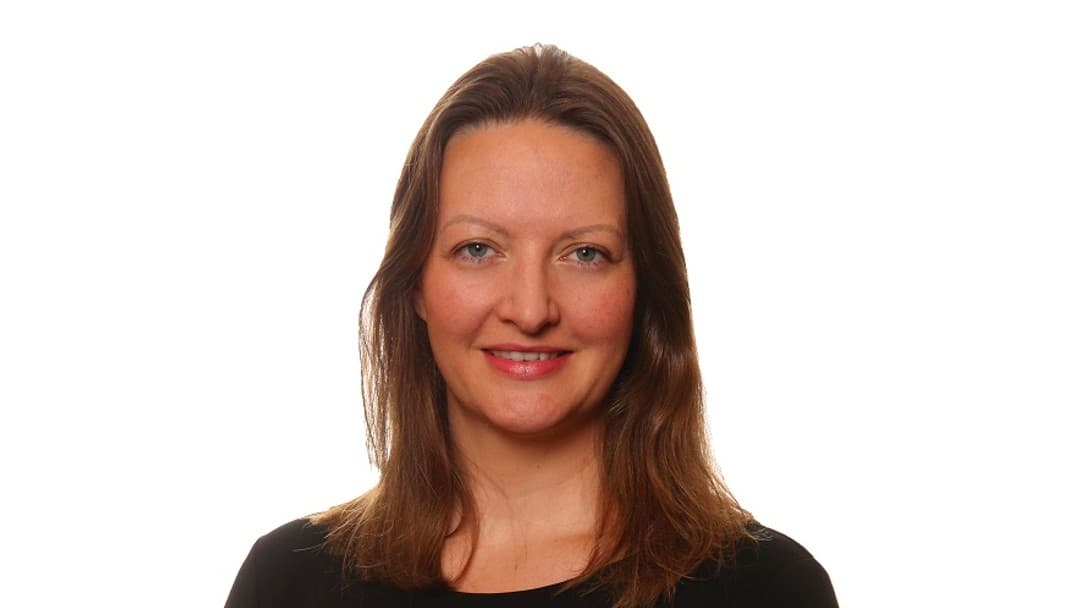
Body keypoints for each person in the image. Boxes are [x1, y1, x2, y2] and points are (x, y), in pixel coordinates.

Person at [225, 44, 838, 608]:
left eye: (585, 254)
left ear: (644, 286)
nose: (530, 309)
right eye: (477, 249)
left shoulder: (768, 590)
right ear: (415, 283)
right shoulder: (287, 584)